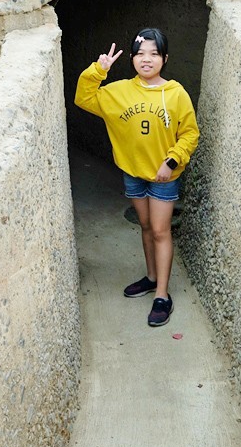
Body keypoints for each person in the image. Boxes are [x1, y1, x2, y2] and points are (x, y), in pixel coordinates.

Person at [74, 28, 200, 327]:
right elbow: (83, 97)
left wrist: (172, 161)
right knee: (145, 226)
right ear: (132, 59)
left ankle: (162, 295)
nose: (147, 59)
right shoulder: (118, 92)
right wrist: (98, 69)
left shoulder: (175, 93)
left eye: (154, 54)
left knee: (160, 230)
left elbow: (190, 133)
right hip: (133, 173)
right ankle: (151, 276)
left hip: (163, 177)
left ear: (164, 58)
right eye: (141, 54)